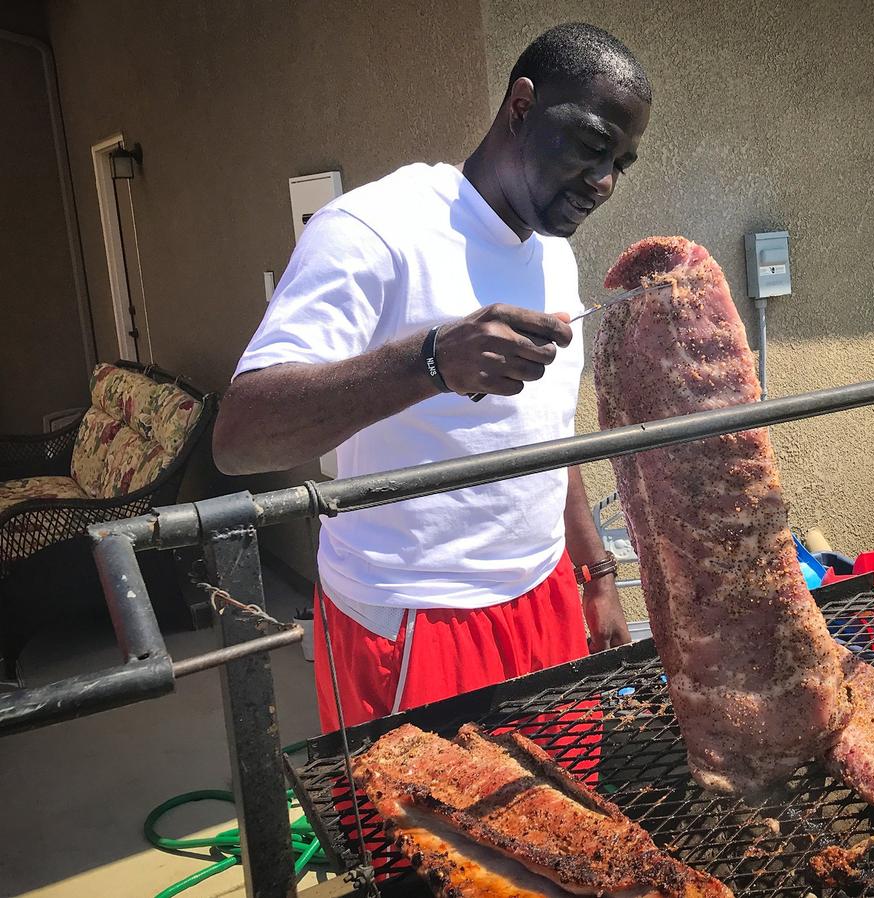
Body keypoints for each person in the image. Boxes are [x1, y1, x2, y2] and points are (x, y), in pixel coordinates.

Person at [213, 23, 653, 731]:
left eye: (621, 164)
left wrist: (595, 574)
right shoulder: (374, 230)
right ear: (521, 106)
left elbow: (545, 434)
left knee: (558, 833)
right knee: (423, 844)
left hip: (544, 597)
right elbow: (240, 436)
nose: (603, 183)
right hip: (414, 618)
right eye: (592, 147)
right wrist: (430, 364)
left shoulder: (552, 255)